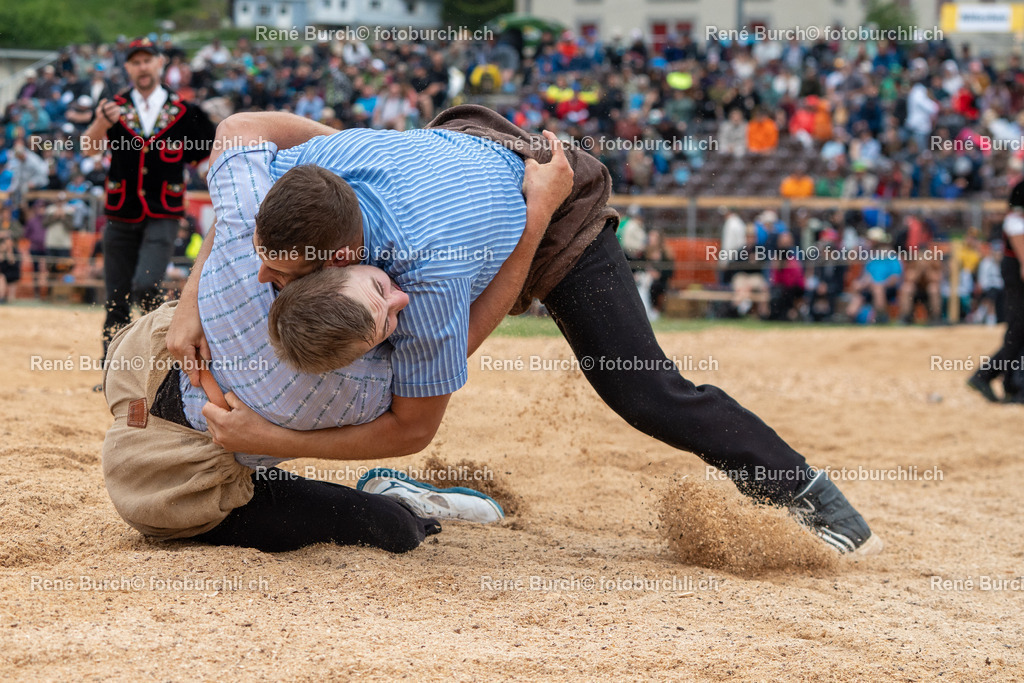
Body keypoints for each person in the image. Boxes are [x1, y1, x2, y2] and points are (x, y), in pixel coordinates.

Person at [170, 107, 882, 556]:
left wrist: (538, 213)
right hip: (454, 150)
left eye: (281, 273)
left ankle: (812, 494)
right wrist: (189, 301)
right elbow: (237, 138)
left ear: (343, 255)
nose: (264, 279)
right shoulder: (305, 187)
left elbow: (423, 408)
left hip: (549, 201)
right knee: (370, 325)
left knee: (640, 388)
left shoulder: (429, 269)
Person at [100, 114, 562, 552]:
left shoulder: (246, 230)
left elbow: (237, 133)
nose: (264, 274)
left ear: (338, 261)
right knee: (394, 529)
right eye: (384, 293)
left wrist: (191, 296)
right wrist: (536, 216)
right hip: (164, 462)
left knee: (366, 522)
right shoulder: (367, 387)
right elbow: (420, 412)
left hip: (142, 370)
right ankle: (391, 498)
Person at [81, 37, 217, 351]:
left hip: (164, 212)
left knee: (146, 285)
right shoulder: (114, 107)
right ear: (128, 67)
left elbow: (208, 157)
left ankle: (153, 362)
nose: (142, 67)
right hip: (120, 209)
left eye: (147, 60)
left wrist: (212, 176)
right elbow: (88, 147)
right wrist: (102, 121)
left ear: (159, 63)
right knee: (116, 295)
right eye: (135, 62)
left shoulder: (186, 112)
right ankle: (112, 369)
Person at [968, 181, 1024, 403]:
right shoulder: (1015, 223)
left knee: (1018, 333)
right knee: (1017, 332)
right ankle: (1010, 385)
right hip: (1017, 282)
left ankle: (988, 376)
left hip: (1014, 279)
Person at [0, 231, 20, 302]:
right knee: (1, 278)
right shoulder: (1, 249)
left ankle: (9, 300)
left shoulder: (15, 251)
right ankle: (1, 298)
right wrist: (2, 251)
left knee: (11, 299)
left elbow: (13, 263)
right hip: (3, 273)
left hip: (13, 273)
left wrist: (9, 251)